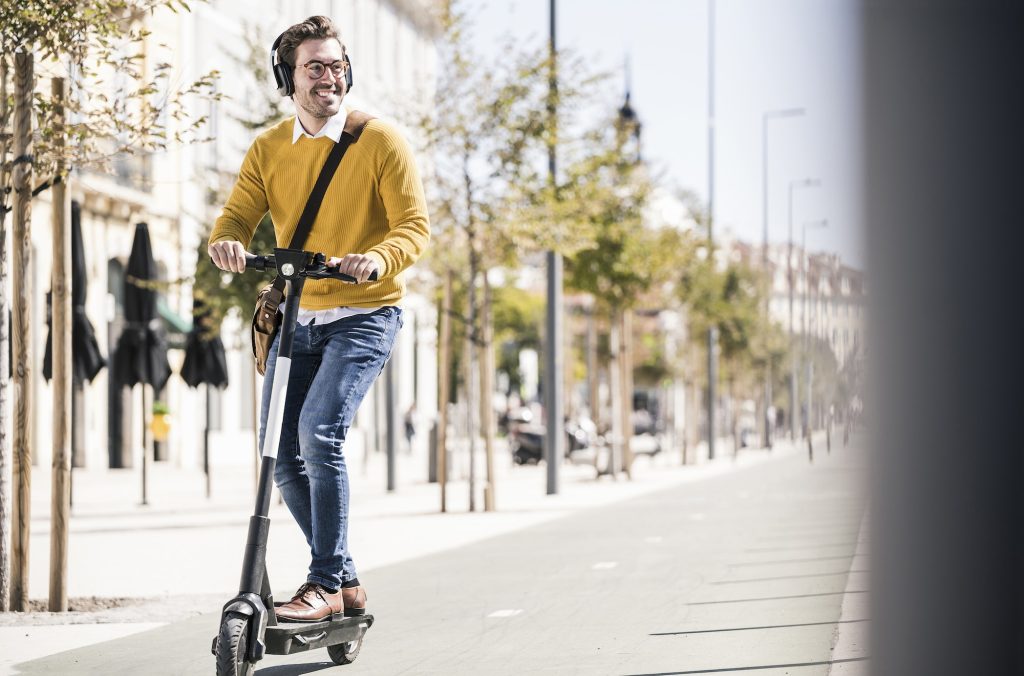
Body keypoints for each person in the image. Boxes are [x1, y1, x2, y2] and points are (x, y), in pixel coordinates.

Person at [208, 15, 429, 622]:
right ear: (289, 78)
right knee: (277, 452)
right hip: (298, 316)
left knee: (318, 435)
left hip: (364, 314)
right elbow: (234, 218)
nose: (328, 78)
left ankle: (325, 583)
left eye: (336, 66)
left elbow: (414, 228)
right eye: (314, 67)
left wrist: (376, 258)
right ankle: (346, 577)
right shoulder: (269, 148)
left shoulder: (382, 141)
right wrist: (225, 244)